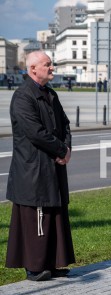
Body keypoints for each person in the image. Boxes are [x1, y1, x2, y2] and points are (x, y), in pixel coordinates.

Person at [5, 50, 75, 281]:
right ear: (33, 69)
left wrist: (66, 148)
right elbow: (35, 133)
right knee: (39, 218)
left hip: (53, 167)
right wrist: (61, 150)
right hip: (33, 170)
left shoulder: (50, 94)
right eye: (48, 64)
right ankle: (35, 266)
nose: (52, 67)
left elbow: (64, 124)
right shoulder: (23, 97)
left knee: (54, 215)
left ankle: (53, 263)